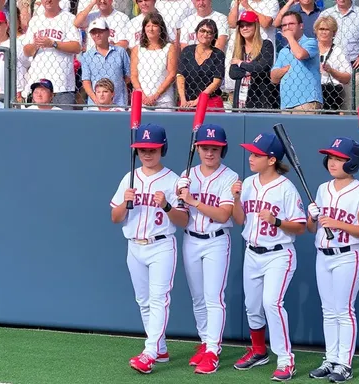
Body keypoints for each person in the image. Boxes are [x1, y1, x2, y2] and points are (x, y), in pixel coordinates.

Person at [110, 123, 189, 374]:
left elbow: (184, 220)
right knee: (143, 301)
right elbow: (115, 217)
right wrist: (125, 202)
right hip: (134, 246)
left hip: (161, 245)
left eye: (152, 149)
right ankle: (161, 347)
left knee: (158, 300)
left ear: (162, 149)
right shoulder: (129, 177)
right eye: (143, 149)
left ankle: (150, 352)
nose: (147, 153)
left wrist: (167, 206)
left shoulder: (173, 180)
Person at [231, 132, 306, 382]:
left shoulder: (286, 188)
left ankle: (286, 360)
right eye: (251, 153)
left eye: (256, 154)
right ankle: (259, 351)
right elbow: (240, 220)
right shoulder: (249, 183)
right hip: (252, 252)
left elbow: (300, 226)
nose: (251, 157)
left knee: (271, 304)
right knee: (252, 307)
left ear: (271, 160)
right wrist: (236, 199)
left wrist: (276, 221)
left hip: (278, 254)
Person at [175, 124, 238, 374]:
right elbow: (181, 216)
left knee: (214, 298)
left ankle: (213, 350)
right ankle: (204, 342)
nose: (209, 153)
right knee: (198, 297)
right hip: (190, 238)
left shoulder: (230, 177)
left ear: (222, 149)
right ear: (197, 148)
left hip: (216, 240)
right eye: (204, 148)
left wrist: (192, 200)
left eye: (214, 148)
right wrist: (177, 198)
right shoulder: (186, 175)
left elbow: (223, 215)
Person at [306, 137, 359, 383]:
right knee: (328, 311)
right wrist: (312, 218)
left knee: (344, 311)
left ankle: (345, 363)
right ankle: (331, 359)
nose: (333, 162)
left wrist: (338, 224)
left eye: (339, 158)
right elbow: (313, 229)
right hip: (323, 255)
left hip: (348, 255)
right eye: (331, 157)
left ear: (351, 163)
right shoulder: (323, 188)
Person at [23, 0, 82, 110]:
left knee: (63, 125)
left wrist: (53, 44)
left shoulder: (69, 18)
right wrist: (36, 45)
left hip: (62, 85)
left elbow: (77, 47)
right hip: (38, 84)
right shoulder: (35, 20)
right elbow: (26, 51)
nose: (48, 1)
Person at [271, 11, 322, 113]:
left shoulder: (310, 42)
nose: (287, 27)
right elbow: (273, 77)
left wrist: (289, 37)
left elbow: (300, 55)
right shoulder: (283, 51)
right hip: (286, 104)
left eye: (291, 24)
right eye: (284, 25)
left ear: (301, 26)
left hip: (307, 102)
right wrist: (285, 69)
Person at [228, 10, 277, 110]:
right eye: (241, 26)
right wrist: (251, 67)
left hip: (260, 98)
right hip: (240, 98)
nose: (244, 28)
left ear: (256, 26)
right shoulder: (239, 48)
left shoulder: (266, 45)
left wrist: (241, 63)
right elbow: (233, 73)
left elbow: (263, 68)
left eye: (248, 25)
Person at [130, 12, 177, 111]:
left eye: (154, 25)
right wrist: (142, 95)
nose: (150, 29)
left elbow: (172, 74)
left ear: (161, 28)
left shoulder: (169, 48)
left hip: (163, 100)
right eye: (148, 26)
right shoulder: (137, 49)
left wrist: (155, 96)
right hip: (141, 100)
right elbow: (134, 75)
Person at [81, 18, 131, 108]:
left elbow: (128, 77)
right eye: (93, 33)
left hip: (118, 104)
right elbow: (86, 81)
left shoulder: (120, 52)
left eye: (100, 31)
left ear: (108, 32)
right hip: (95, 106)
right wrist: (96, 100)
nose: (97, 35)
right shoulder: (87, 56)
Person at [177, 19, 226, 111]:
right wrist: (183, 99)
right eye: (202, 31)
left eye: (209, 32)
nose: (205, 34)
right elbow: (180, 76)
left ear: (214, 36)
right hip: (187, 101)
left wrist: (199, 99)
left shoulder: (218, 54)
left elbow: (216, 82)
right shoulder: (187, 51)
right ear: (196, 32)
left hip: (210, 101)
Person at [315, 15, 351, 112]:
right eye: (321, 29)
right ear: (316, 31)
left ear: (333, 32)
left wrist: (331, 71)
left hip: (333, 93)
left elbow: (347, 78)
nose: (323, 32)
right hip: (313, 90)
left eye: (327, 29)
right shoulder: (310, 49)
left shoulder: (339, 51)